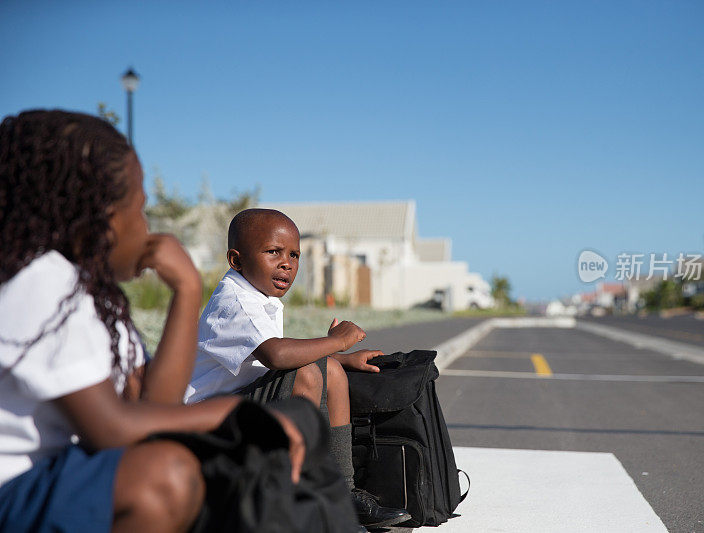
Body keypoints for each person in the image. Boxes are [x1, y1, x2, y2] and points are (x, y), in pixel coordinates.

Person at [0, 110, 311, 532]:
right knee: (164, 477)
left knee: (208, 460)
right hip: (17, 487)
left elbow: (156, 406)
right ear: (99, 214)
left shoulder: (91, 294)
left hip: (69, 471)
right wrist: (235, 412)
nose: (147, 228)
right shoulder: (39, 282)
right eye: (140, 209)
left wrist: (186, 291)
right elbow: (111, 429)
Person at [185, 208, 411, 529]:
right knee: (306, 373)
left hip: (234, 406)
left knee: (331, 371)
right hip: (205, 424)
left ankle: (342, 493)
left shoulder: (257, 296)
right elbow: (276, 355)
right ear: (236, 260)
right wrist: (336, 342)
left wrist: (341, 360)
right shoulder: (235, 301)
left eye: (294, 254)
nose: (287, 263)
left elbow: (270, 358)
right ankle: (299, 502)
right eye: (273, 252)